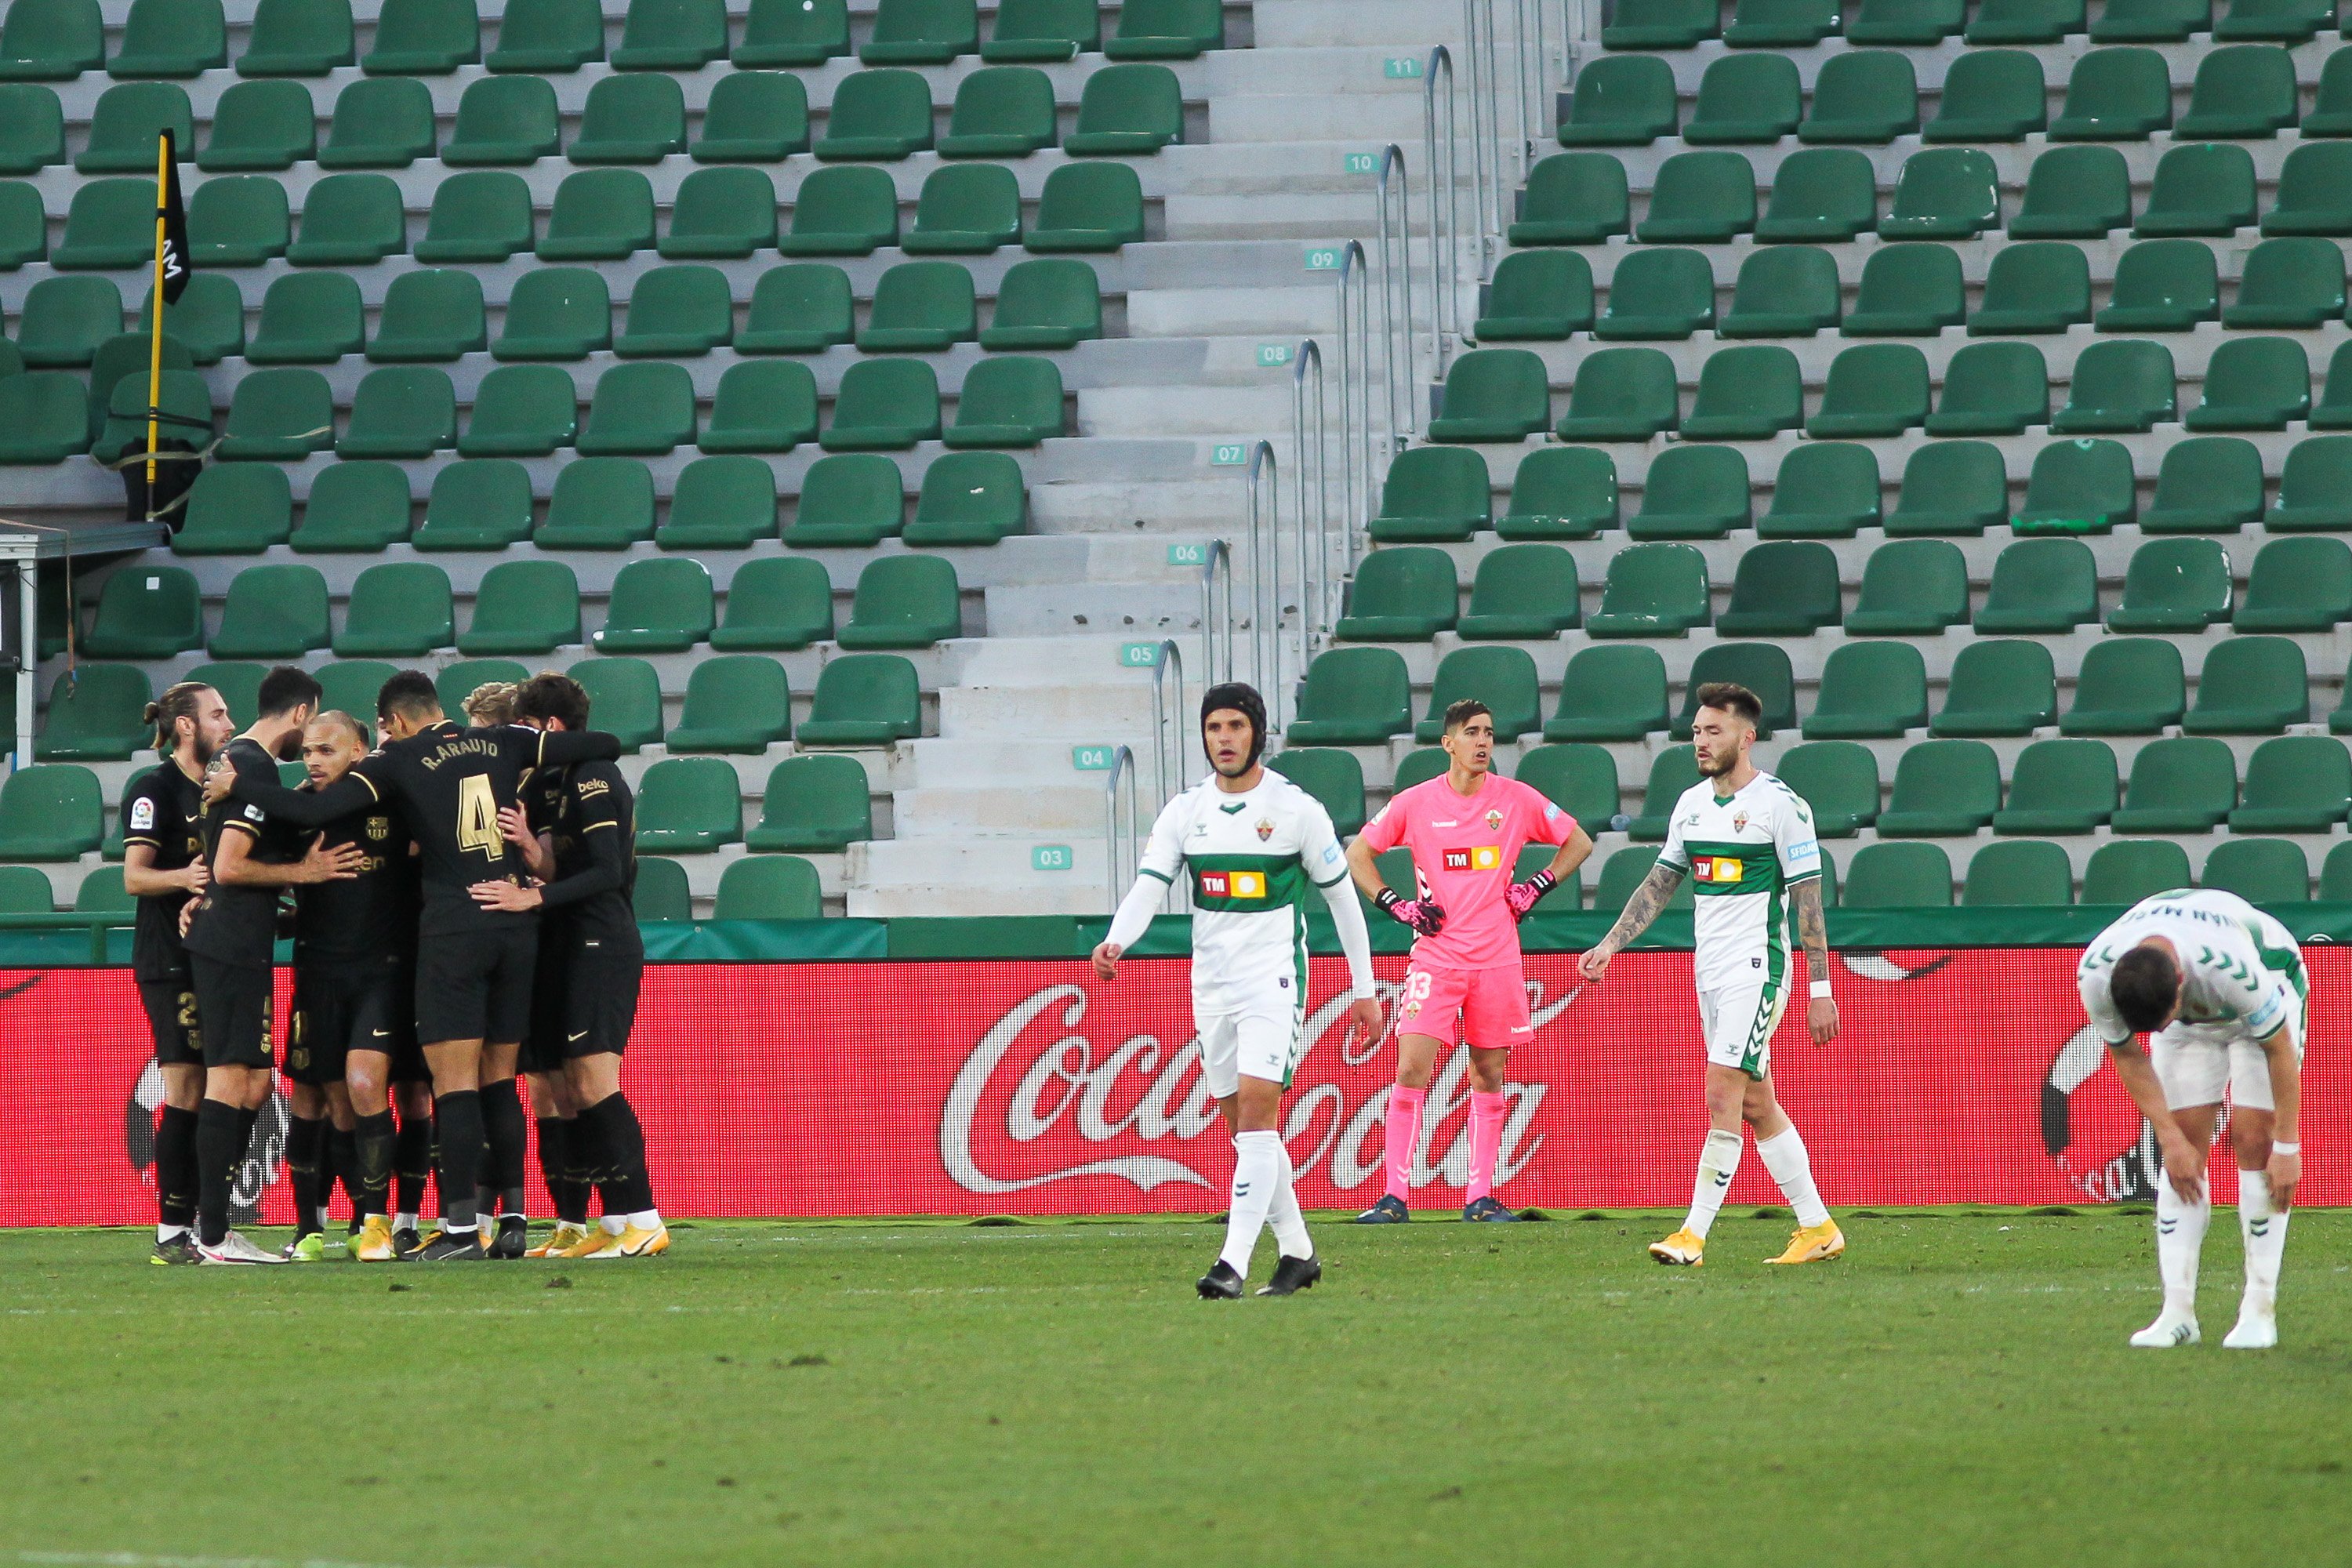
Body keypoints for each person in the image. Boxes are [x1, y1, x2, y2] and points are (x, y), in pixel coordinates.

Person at [205, 671, 620, 1262]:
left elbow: (305, 811)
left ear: (394, 723)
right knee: (501, 1081)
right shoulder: (505, 741)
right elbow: (605, 744)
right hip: (515, 922)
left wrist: (237, 784)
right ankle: (514, 1222)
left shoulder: (398, 760)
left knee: (455, 1086)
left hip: (455, 929)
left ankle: (458, 1234)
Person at [1094, 683, 1384, 1298]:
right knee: (1247, 1130)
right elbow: (1150, 886)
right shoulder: (1185, 810)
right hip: (1211, 986)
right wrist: (1117, 939)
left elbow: (1342, 901)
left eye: (1235, 726)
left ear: (1257, 732)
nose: (1223, 739)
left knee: (1256, 1114)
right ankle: (1299, 1252)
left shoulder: (1296, 810)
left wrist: (1365, 989)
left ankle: (1232, 1263)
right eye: (1213, 728)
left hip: (1274, 982)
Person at [1580, 683, 1843, 1269]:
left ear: (1747, 737)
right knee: (1756, 1104)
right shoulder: (1691, 805)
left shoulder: (1783, 806)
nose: (1700, 741)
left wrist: (1821, 990)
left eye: (1713, 731)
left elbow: (1809, 902)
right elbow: (1660, 883)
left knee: (1720, 1091)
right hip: (1710, 971)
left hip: (1759, 968)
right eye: (1696, 731)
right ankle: (1818, 1228)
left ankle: (1692, 1236)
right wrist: (1610, 944)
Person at [1343, 700, 1591, 1224]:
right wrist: (1398, 906)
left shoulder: (1516, 800)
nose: (1483, 742)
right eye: (1472, 733)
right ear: (1448, 743)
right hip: (1436, 954)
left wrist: (1536, 887)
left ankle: (1479, 1197)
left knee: (1488, 1073)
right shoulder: (1415, 803)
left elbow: (1579, 841)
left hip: (1497, 957)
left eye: (1489, 733)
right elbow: (1357, 855)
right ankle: (1394, 1197)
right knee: (1411, 1066)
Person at [474, 671, 662, 1261]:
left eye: (525, 731)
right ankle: (607, 1225)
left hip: (601, 943)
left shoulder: (593, 777)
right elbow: (569, 866)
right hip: (570, 942)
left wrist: (534, 895)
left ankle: (644, 1219)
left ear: (549, 728)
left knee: (594, 1081)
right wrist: (533, 853)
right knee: (569, 1089)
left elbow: (608, 872)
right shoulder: (555, 784)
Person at [183, 667, 361, 1265]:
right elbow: (231, 867)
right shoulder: (252, 766)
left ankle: (213, 1228)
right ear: (302, 711)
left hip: (240, 937)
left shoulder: (238, 765)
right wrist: (305, 874)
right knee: (232, 1080)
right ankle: (211, 1234)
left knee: (255, 1083)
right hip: (231, 940)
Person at [2077, 887, 2305, 1349]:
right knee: (2182, 1151)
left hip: (2269, 991)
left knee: (2253, 1142)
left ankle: (2259, 1311)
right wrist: (2169, 1138)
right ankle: (2177, 1315)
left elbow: (2279, 1048)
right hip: (2193, 1024)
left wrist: (2287, 1146)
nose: (2158, 1030)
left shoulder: (2232, 969)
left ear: (2180, 981)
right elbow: (2128, 1055)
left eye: (2164, 1018)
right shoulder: (2096, 976)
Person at [286, 711, 423, 1265]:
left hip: (382, 969)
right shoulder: (296, 812)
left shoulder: (395, 804)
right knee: (329, 1101)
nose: (315, 761)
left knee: (366, 1082)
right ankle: (313, 1227)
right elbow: (240, 866)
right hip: (317, 970)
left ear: (361, 750)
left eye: (327, 750)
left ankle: (376, 1223)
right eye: (308, 752)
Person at [122, 681, 232, 1264]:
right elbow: (135, 878)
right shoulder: (155, 789)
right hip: (169, 958)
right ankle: (171, 1229)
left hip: (214, 956)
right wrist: (184, 880)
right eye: (218, 714)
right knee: (187, 1087)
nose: (229, 723)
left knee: (224, 1086)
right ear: (186, 726)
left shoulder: (217, 789)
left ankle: (202, 1222)